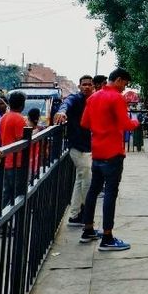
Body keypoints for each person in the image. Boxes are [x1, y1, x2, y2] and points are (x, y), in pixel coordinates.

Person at [80, 68, 139, 251]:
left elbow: (85, 123)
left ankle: (88, 229)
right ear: (119, 80)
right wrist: (136, 122)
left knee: (93, 191)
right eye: (125, 84)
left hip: (97, 151)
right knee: (110, 194)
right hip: (112, 152)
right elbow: (125, 124)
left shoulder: (93, 97)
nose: (124, 88)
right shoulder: (117, 98)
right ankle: (107, 236)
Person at [54, 75, 94, 227]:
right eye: (84, 84)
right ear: (79, 86)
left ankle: (75, 214)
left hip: (87, 147)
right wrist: (62, 112)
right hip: (78, 147)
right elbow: (66, 104)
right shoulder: (75, 99)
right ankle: (84, 213)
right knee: (86, 181)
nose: (86, 87)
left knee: (80, 180)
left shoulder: (92, 100)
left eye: (89, 85)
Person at [0, 91, 28, 207]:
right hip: (17, 161)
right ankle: (12, 220)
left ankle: (2, 220)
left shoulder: (4, 117)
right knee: (17, 194)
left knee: (7, 191)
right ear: (22, 105)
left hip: (7, 159)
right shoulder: (19, 119)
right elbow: (21, 139)